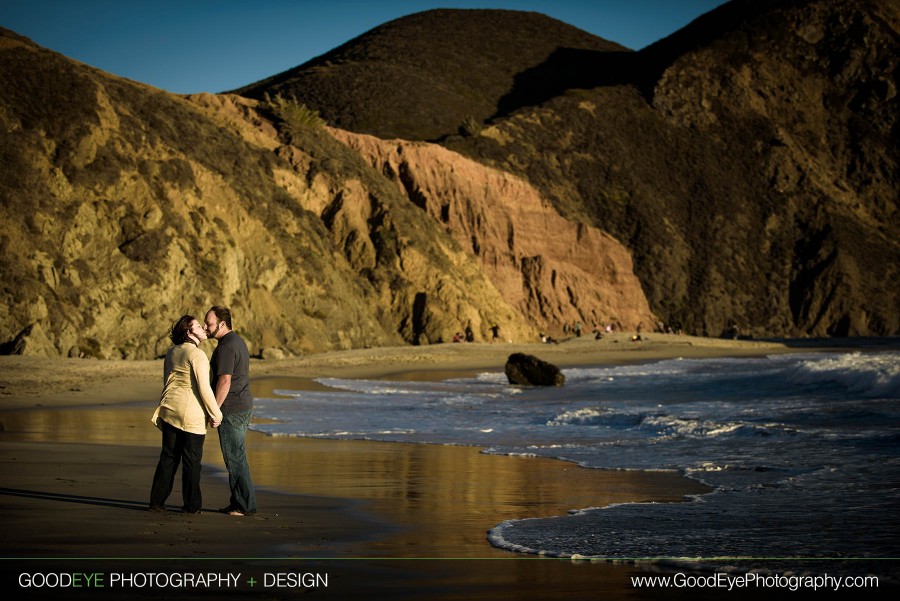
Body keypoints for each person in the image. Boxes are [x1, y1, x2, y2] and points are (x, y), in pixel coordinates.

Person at [149, 315, 222, 514]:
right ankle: (192, 506)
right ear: (189, 332)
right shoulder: (197, 355)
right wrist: (217, 414)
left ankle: (156, 502)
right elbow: (204, 388)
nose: (204, 328)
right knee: (191, 462)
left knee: (168, 458)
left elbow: (168, 382)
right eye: (198, 326)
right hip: (191, 415)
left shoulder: (172, 352)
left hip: (170, 409)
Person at [205, 305, 257, 516]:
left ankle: (245, 506)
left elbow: (225, 381)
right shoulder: (238, 341)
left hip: (232, 409)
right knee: (236, 456)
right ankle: (239, 502)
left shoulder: (226, 346)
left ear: (222, 324)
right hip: (242, 405)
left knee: (234, 458)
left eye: (209, 323)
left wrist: (214, 410)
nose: (206, 327)